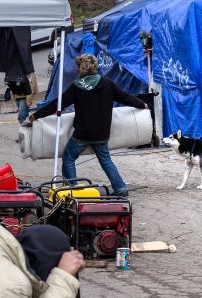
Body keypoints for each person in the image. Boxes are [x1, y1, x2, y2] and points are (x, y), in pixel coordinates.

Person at [25, 54, 146, 196]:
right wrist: (142, 104)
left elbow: (56, 105)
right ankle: (121, 188)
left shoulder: (77, 86)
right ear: (95, 67)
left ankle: (72, 189)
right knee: (105, 160)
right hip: (102, 133)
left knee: (69, 158)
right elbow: (125, 97)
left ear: (81, 68)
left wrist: (35, 116)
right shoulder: (107, 83)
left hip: (82, 134)